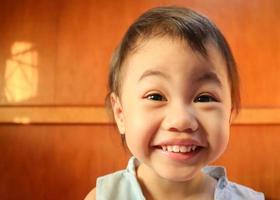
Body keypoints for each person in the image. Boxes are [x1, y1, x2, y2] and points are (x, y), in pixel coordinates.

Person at [85, 6, 264, 200]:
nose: (181, 121)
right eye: (155, 96)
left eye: (204, 98)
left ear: (229, 114)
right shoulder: (104, 197)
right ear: (120, 113)